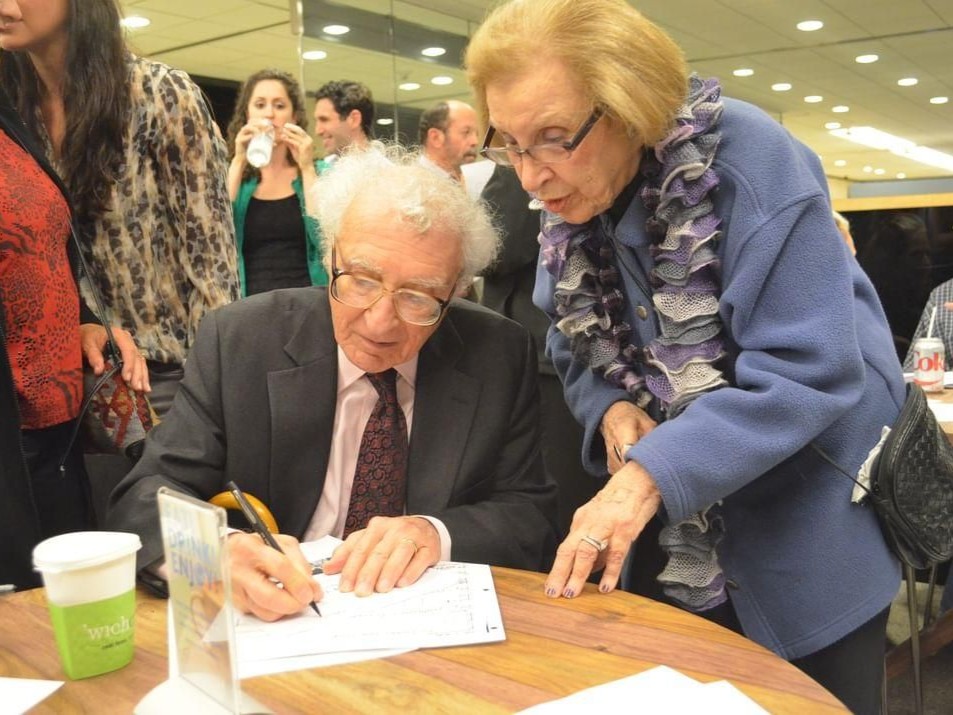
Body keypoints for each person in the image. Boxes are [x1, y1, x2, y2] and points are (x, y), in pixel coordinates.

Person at [466, 1, 904, 712]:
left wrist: (644, 478)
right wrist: (607, 407)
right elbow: (567, 340)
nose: (529, 176)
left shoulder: (750, 161)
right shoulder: (570, 199)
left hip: (806, 534)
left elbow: (808, 369)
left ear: (630, 107)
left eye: (552, 139)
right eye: (508, 144)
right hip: (676, 548)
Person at [106, 145, 559, 621]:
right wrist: (217, 552)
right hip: (279, 618)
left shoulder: (496, 352)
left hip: (426, 626)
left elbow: (529, 515)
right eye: (361, 280)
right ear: (329, 258)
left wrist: (434, 533)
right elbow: (145, 496)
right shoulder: (240, 340)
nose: (380, 323)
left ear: (457, 290)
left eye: (419, 297)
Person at [0, 0, 239, 418]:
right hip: (55, 381)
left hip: (163, 381)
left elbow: (212, 266)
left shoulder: (160, 94)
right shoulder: (14, 111)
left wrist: (213, 400)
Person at [0, 85, 145, 590]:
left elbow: (40, 251)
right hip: (12, 442)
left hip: (55, 428)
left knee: (81, 615)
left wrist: (82, 318)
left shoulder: (8, 115)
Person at [479, 163, 596, 536]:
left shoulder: (523, 163)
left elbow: (493, 247)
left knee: (554, 494)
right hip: (591, 348)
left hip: (544, 350)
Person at [226, 69, 328, 296]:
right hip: (250, 307)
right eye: (260, 105)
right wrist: (238, 159)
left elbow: (323, 238)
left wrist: (306, 167)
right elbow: (217, 235)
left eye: (280, 106)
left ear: (294, 117)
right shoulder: (237, 178)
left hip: (308, 303)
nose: (269, 114)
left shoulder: (318, 172)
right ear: (247, 114)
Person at [858, 212, 933, 362]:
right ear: (892, 260)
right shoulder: (874, 305)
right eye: (916, 255)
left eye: (927, 253)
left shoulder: (927, 300)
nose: (927, 263)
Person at [417, 99, 480, 183]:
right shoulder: (411, 187)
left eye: (477, 134)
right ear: (435, 137)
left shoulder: (470, 182)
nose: (475, 141)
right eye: (466, 132)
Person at [312, 80, 374, 161]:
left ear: (354, 119)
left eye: (324, 119)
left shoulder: (384, 171)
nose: (318, 131)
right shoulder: (326, 167)